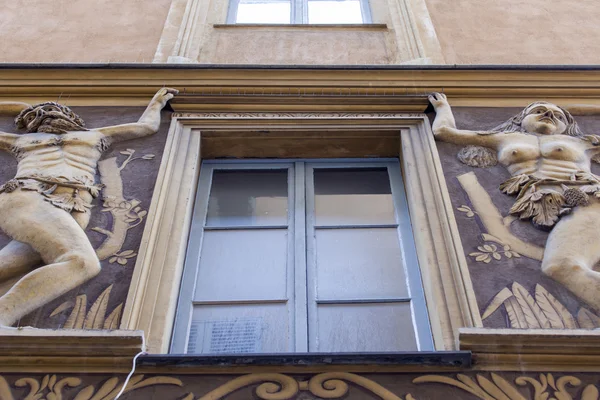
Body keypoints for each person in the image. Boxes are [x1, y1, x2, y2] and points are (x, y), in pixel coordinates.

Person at [0, 88, 178, 327]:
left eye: (55, 110)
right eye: (40, 114)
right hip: (29, 195)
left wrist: (156, 104)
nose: (48, 114)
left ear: (73, 118)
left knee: (10, 264)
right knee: (81, 262)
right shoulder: (20, 140)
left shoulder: (96, 135)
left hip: (77, 205)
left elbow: (145, 127)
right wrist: (11, 105)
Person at [429, 92, 600, 313]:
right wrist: (443, 107)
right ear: (521, 118)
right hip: (542, 202)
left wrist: (579, 106)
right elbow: (444, 132)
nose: (548, 115)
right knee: (561, 266)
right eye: (539, 111)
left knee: (561, 266)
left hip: (586, 197)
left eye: (558, 116)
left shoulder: (583, 141)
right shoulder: (502, 138)